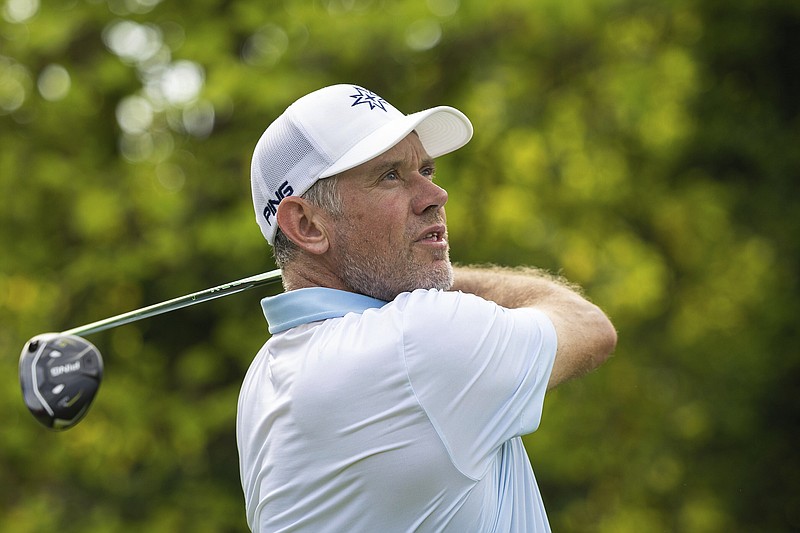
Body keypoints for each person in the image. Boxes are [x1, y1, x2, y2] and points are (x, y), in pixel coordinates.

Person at [237, 84, 617, 532]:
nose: (436, 195)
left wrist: (425, 274)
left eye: (427, 169)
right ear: (305, 225)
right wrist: (445, 282)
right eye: (391, 176)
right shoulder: (419, 339)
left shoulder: (262, 376)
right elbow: (589, 326)